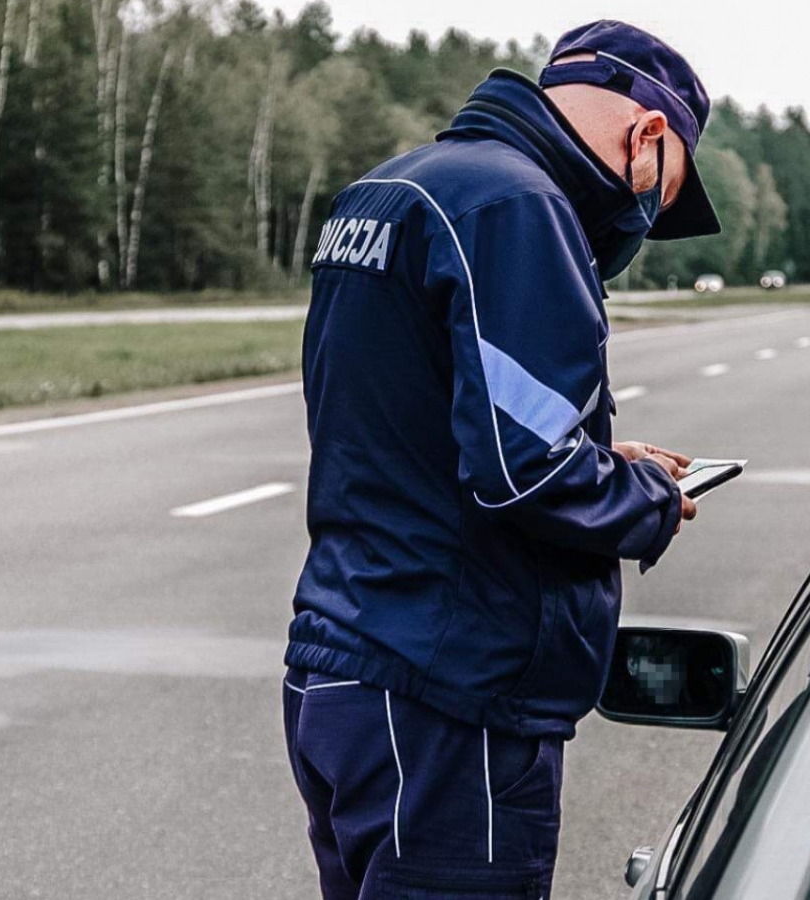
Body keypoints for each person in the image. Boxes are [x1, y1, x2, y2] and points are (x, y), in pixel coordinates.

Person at [283, 19, 719, 900]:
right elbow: (531, 474)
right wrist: (648, 499)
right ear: (649, 137)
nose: (649, 221)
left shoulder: (390, 189)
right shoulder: (521, 208)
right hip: (451, 698)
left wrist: (599, 449)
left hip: (341, 667)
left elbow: (405, 422)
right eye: (666, 196)